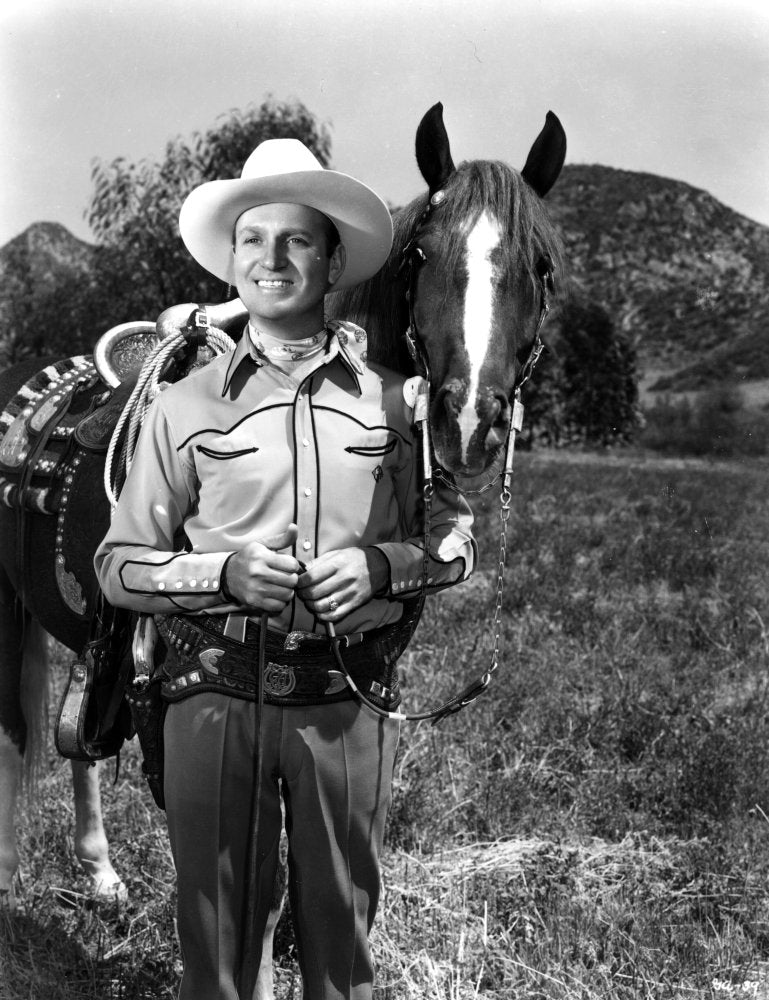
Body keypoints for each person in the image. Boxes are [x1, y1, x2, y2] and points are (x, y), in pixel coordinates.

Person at [94, 138, 476, 1000]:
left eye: (297, 239)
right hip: (212, 694)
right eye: (253, 239)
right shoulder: (181, 406)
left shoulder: (396, 401)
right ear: (233, 261)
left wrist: (382, 568)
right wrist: (220, 576)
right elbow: (119, 565)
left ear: (333, 262)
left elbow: (456, 538)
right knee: (216, 945)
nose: (273, 259)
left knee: (341, 941)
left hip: (346, 699)